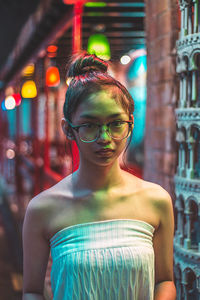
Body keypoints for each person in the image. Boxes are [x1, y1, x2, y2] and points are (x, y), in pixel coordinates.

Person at [22, 52, 176, 300]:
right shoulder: (43, 208)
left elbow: (164, 280)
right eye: (90, 125)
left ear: (130, 124)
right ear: (68, 130)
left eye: (115, 123)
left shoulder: (156, 200)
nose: (104, 138)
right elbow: (32, 292)